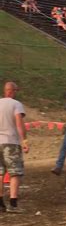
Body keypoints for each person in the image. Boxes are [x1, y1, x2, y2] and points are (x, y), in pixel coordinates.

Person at [0, 82, 29, 213]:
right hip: (11, 141)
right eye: (15, 90)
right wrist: (24, 140)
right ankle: (13, 204)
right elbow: (19, 123)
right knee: (15, 173)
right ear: (12, 91)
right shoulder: (16, 104)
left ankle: (0, 204)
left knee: (0, 173)